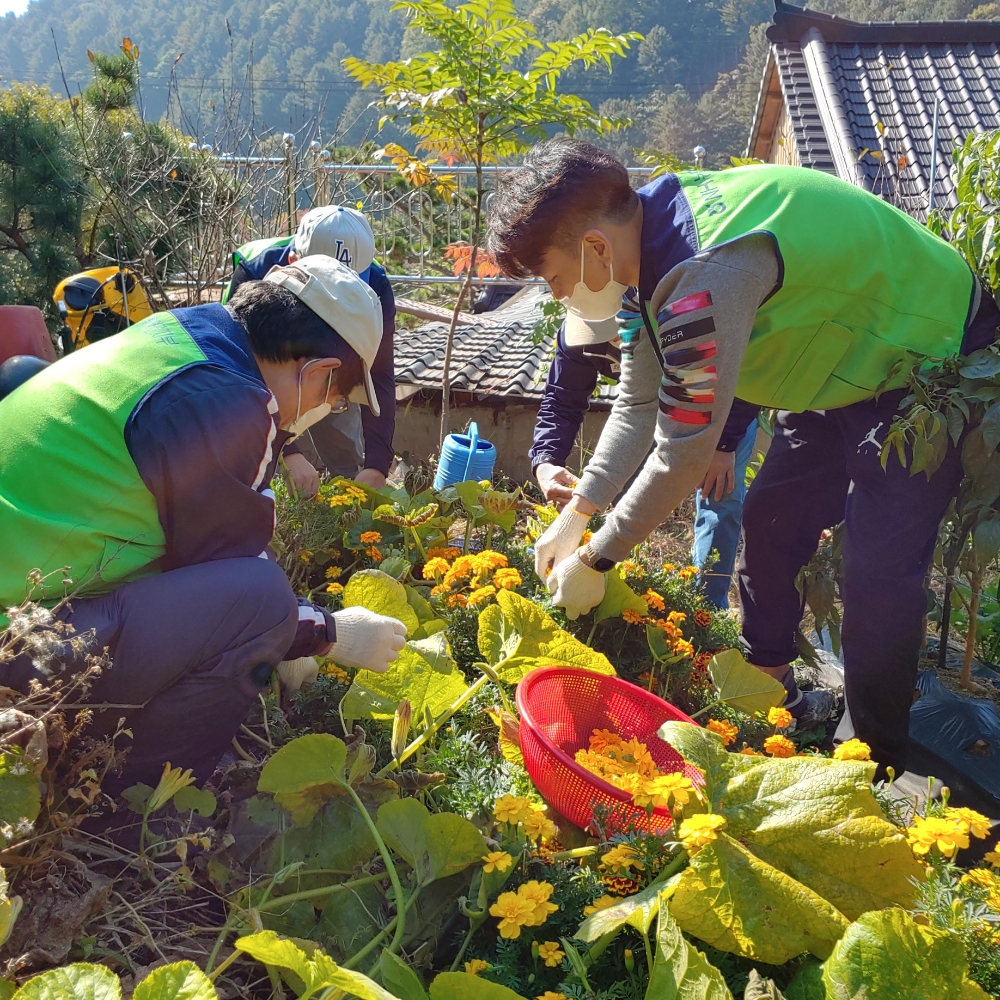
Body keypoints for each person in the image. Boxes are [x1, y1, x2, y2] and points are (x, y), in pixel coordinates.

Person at [486, 137, 1000, 777]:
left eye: (553, 279)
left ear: (593, 247)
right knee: (773, 518)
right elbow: (637, 404)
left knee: (878, 569)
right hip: (842, 361)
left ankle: (872, 764)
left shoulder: (702, 276)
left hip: (929, 348)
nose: (558, 296)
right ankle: (774, 692)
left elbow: (681, 453)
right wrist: (580, 511)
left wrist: (599, 558)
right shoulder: (644, 252)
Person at [0, 257, 407, 797]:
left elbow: (224, 533)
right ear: (318, 371)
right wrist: (329, 633)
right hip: (17, 655)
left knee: (260, 598)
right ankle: (139, 803)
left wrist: (298, 629)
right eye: (335, 400)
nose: (327, 410)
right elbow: (232, 582)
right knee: (263, 602)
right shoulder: (229, 400)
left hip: (28, 597)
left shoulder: (187, 334)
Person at [530, 308, 759, 608]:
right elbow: (561, 402)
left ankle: (708, 609)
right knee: (624, 497)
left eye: (616, 336)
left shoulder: (680, 315)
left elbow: (743, 367)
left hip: (724, 405)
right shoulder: (578, 333)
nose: (610, 344)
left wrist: (725, 444)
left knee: (719, 500)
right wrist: (545, 461)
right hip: (649, 406)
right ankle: (626, 588)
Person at [226, 205, 397, 492]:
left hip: (324, 366)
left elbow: (378, 373)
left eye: (351, 285)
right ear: (294, 261)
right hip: (262, 378)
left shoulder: (377, 286)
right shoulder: (255, 271)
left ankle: (339, 501)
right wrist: (287, 451)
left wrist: (377, 464)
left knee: (339, 427)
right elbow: (242, 378)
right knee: (259, 456)